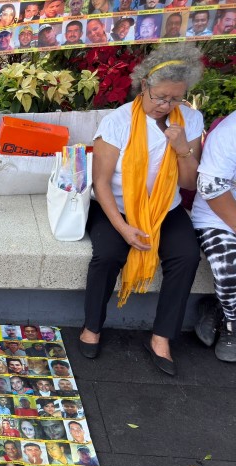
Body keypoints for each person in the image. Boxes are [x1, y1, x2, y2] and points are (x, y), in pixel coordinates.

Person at [79, 45, 204, 376]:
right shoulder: (118, 121)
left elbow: (189, 183)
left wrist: (182, 149)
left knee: (187, 256)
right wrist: (123, 228)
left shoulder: (190, 120)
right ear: (144, 84)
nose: (166, 105)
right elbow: (100, 183)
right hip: (116, 207)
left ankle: (161, 337)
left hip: (165, 209)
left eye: (175, 99)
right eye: (160, 97)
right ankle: (92, 327)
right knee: (108, 255)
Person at [193, 111, 236, 361]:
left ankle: (219, 307)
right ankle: (232, 324)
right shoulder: (229, 132)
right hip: (218, 215)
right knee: (230, 267)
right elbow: (212, 189)